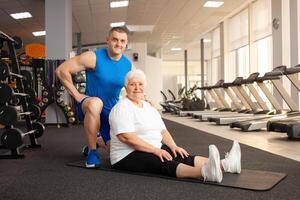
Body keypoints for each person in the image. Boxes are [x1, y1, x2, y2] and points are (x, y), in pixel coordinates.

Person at [109, 69, 241, 182]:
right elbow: (127, 138)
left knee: (181, 156)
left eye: (140, 84)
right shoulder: (121, 108)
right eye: (132, 84)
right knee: (163, 161)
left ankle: (226, 165)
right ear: (126, 88)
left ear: (145, 86)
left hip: (152, 147)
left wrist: (173, 146)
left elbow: (162, 131)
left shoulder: (148, 107)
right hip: (127, 154)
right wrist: (156, 150)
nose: (137, 88)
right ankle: (205, 173)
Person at [56, 27, 132, 168]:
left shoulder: (127, 64)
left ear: (126, 43)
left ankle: (97, 141)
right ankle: (92, 152)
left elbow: (130, 90)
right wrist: (77, 95)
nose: (118, 44)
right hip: (89, 106)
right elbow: (61, 70)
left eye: (122, 41)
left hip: (110, 112)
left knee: (116, 154)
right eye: (115, 39)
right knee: (96, 103)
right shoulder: (93, 57)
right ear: (108, 40)